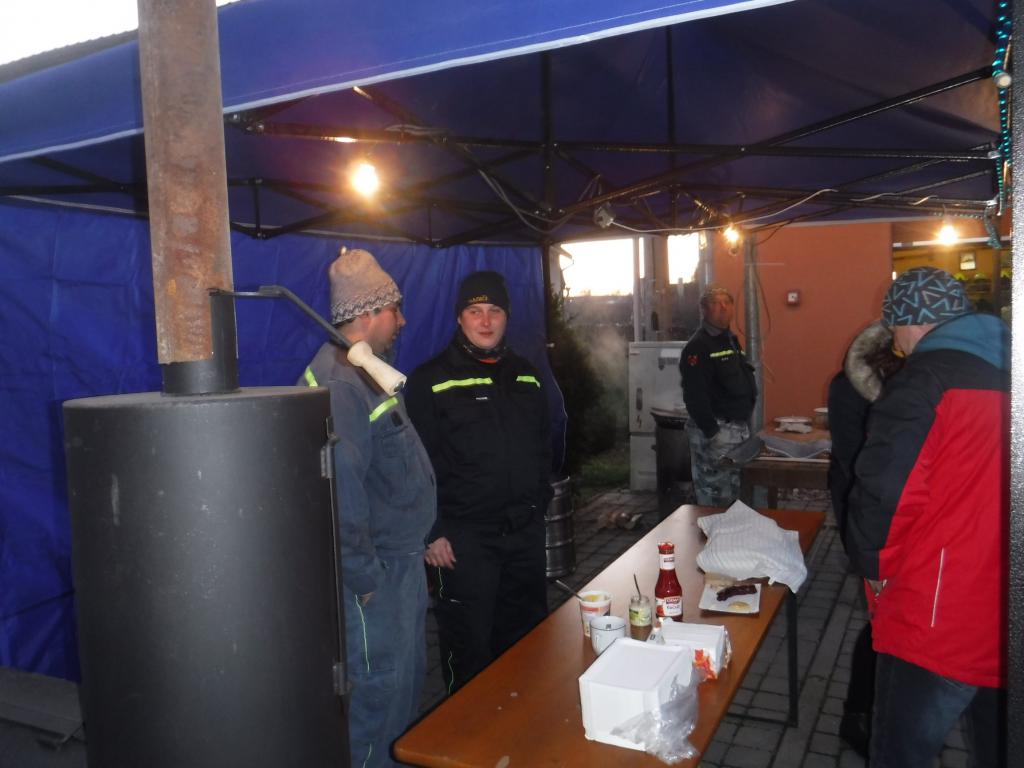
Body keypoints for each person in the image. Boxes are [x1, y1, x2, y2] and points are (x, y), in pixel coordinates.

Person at [847, 267, 1009, 768]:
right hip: (1004, 604)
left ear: (910, 321)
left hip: (940, 615)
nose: (895, 341)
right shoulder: (1009, 370)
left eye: (894, 326)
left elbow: (885, 494)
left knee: (901, 753)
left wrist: (873, 568)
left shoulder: (921, 382)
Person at [299, 247, 436, 768]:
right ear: (369, 313)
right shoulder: (340, 384)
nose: (402, 320)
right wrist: (368, 581)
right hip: (376, 577)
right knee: (378, 697)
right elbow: (339, 494)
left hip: (399, 565)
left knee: (401, 690)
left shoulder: (363, 369)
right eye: (395, 309)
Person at [404, 270, 552, 693]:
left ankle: (519, 723)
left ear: (507, 316)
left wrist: (538, 504)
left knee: (526, 648)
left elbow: (543, 446)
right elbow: (415, 465)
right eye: (475, 311)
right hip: (464, 544)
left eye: (494, 311)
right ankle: (465, 731)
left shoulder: (527, 375)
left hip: (523, 537)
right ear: (459, 317)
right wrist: (432, 532)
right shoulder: (430, 380)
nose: (485, 321)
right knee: (469, 653)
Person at [826, 320, 903, 758]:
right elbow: (857, 464)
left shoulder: (910, 386)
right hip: (870, 517)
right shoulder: (848, 388)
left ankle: (869, 711)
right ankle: (857, 715)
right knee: (883, 621)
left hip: (889, 519)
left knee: (888, 621)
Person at [678, 285, 758, 506]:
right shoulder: (698, 346)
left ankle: (727, 528)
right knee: (715, 498)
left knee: (732, 495)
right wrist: (713, 432)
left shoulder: (728, 339)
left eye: (727, 302)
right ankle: (711, 528)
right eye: (715, 303)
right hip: (717, 432)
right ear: (704, 310)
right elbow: (694, 394)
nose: (723, 307)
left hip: (735, 431)